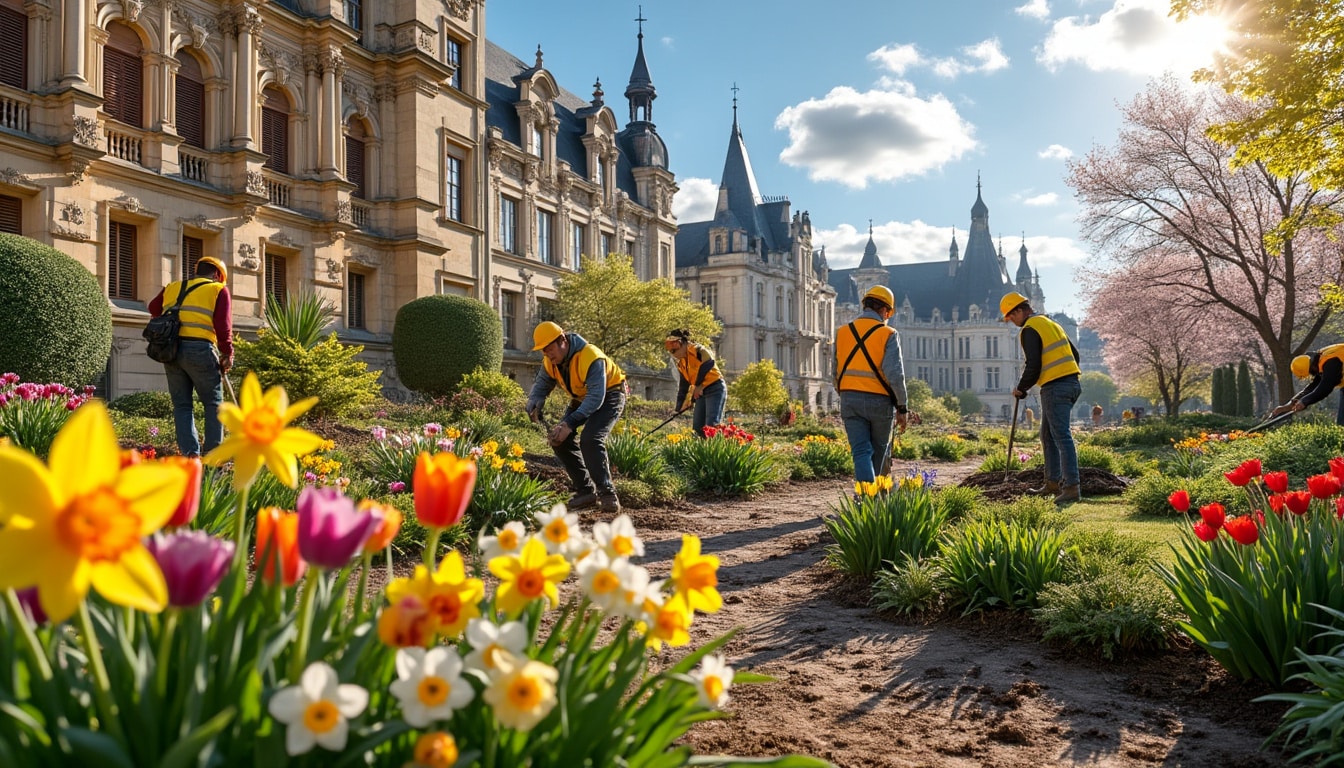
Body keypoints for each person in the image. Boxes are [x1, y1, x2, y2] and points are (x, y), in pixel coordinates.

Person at [525, 321, 627, 514]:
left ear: (562, 340)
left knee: (591, 439)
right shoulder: (551, 361)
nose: (547, 354)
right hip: (583, 397)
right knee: (558, 441)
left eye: (550, 349)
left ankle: (607, 494)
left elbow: (596, 397)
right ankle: (586, 491)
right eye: (544, 351)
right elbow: (541, 385)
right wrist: (534, 402)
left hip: (610, 395)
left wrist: (569, 423)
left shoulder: (591, 356)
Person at [147, 256, 233, 458]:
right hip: (201, 350)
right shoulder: (218, 289)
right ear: (218, 275)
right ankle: (213, 460)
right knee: (213, 403)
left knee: (182, 405)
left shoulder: (172, 287)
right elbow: (223, 326)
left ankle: (190, 458)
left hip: (171, 350)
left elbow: (153, 308)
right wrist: (228, 353)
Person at [1002, 292, 1083, 504]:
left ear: (1020, 310)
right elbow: (1075, 356)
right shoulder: (1051, 324)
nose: (1012, 322)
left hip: (1055, 387)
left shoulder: (1029, 329)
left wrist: (1021, 388)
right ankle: (1052, 483)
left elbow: (1033, 365)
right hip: (1071, 383)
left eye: (1011, 316)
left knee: (1061, 436)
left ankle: (1072, 487)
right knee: (1048, 435)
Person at [834, 285, 909, 487]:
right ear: (885, 310)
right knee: (879, 451)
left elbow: (835, 371)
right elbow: (895, 374)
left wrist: (845, 392)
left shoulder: (842, 332)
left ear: (865, 305)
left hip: (849, 399)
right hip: (879, 401)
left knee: (860, 451)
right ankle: (872, 499)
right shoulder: (888, 333)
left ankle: (866, 497)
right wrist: (902, 406)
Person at [665, 329, 726, 437]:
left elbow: (708, 363)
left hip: (715, 388)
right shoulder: (682, 363)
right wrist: (678, 408)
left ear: (682, 343)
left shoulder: (697, 350)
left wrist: (698, 386)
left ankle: (712, 452)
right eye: (670, 351)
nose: (673, 354)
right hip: (701, 393)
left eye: (674, 350)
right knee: (697, 429)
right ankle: (699, 453)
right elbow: (684, 386)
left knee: (711, 426)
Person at [1270, 346, 1344, 424]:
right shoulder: (1320, 359)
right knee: (1342, 423)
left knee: (1342, 422)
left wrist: (1305, 401)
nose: (1313, 375)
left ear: (1311, 367)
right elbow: (1313, 386)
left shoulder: (1331, 362)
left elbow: (1325, 388)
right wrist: (1288, 406)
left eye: (1311, 372)